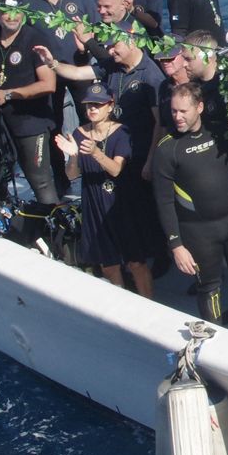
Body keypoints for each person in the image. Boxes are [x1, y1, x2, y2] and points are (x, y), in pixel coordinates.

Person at [152, 83, 228, 331]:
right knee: (210, 289)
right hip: (198, 232)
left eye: (183, 111)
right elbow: (164, 201)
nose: (177, 117)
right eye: (174, 111)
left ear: (199, 107)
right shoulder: (168, 148)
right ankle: (216, 344)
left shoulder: (218, 132)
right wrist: (176, 246)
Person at [54, 84, 155, 297]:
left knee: (135, 262)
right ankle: (122, 300)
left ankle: (148, 302)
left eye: (98, 105)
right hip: (93, 202)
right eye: (89, 105)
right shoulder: (79, 133)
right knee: (108, 264)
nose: (93, 109)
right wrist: (73, 156)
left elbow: (116, 169)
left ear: (110, 106)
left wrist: (95, 153)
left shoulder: (121, 132)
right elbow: (72, 175)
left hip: (120, 204)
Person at [0, 0, 60, 205]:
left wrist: (9, 94)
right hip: (2, 124)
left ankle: (55, 230)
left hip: (31, 124)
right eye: (7, 12)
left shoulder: (35, 39)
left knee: (40, 181)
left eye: (17, 11)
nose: (12, 17)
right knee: (10, 172)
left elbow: (48, 84)